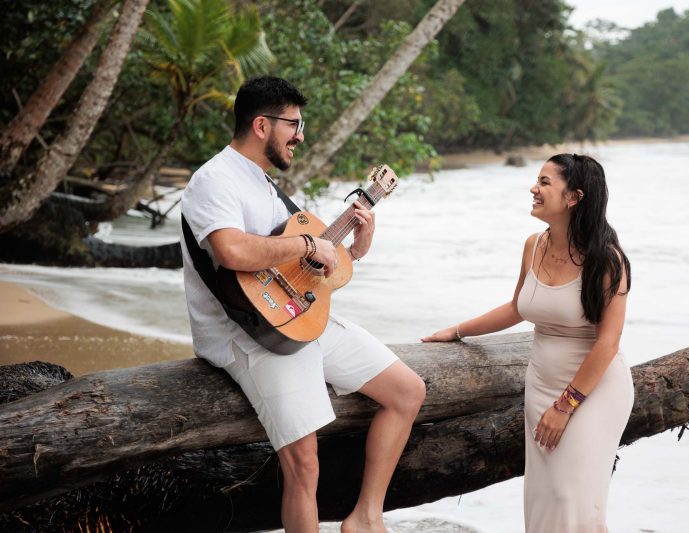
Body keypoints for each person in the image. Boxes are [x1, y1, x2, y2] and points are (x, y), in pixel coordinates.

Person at [180, 75, 426, 533]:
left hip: (289, 320)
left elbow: (301, 275)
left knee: (408, 392)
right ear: (260, 126)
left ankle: (366, 517)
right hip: (244, 334)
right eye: (293, 124)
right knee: (304, 465)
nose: (301, 135)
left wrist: (354, 249)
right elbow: (233, 252)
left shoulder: (266, 185)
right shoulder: (213, 181)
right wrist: (308, 244)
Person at [423, 154, 634, 532]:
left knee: (574, 498)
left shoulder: (606, 260)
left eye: (545, 182)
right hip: (541, 387)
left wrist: (566, 405)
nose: (534, 189)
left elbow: (608, 343)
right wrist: (457, 331)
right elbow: (516, 307)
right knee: (546, 497)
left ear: (574, 197)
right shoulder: (533, 245)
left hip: (593, 391)